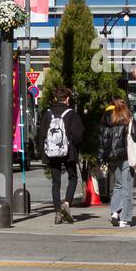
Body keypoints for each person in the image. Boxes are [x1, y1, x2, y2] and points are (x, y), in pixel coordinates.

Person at [38, 86, 84, 224]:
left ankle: (57, 212)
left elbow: (41, 135)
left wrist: (43, 155)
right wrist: (75, 147)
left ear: (55, 98)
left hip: (52, 152)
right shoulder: (71, 113)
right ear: (67, 98)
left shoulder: (48, 113)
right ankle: (67, 204)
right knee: (73, 178)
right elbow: (78, 135)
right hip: (68, 152)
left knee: (55, 182)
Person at [98, 98, 136, 228]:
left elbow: (101, 140)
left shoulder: (105, 118)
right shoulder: (127, 117)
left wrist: (101, 157)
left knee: (117, 185)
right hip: (126, 156)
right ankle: (125, 218)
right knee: (126, 187)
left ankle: (115, 212)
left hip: (111, 157)